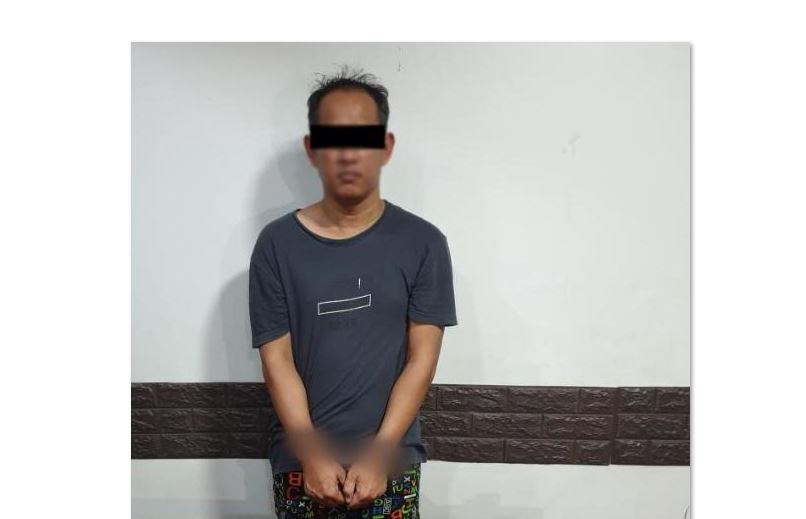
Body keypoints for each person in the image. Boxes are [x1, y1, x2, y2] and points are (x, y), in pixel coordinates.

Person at [249, 65, 458, 518]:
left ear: (385, 147)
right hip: (301, 465)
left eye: (363, 138)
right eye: (332, 139)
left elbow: (422, 359)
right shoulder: (276, 245)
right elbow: (276, 360)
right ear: (312, 149)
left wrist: (380, 454)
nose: (347, 155)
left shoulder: (423, 243)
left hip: (391, 463)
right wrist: (311, 454)